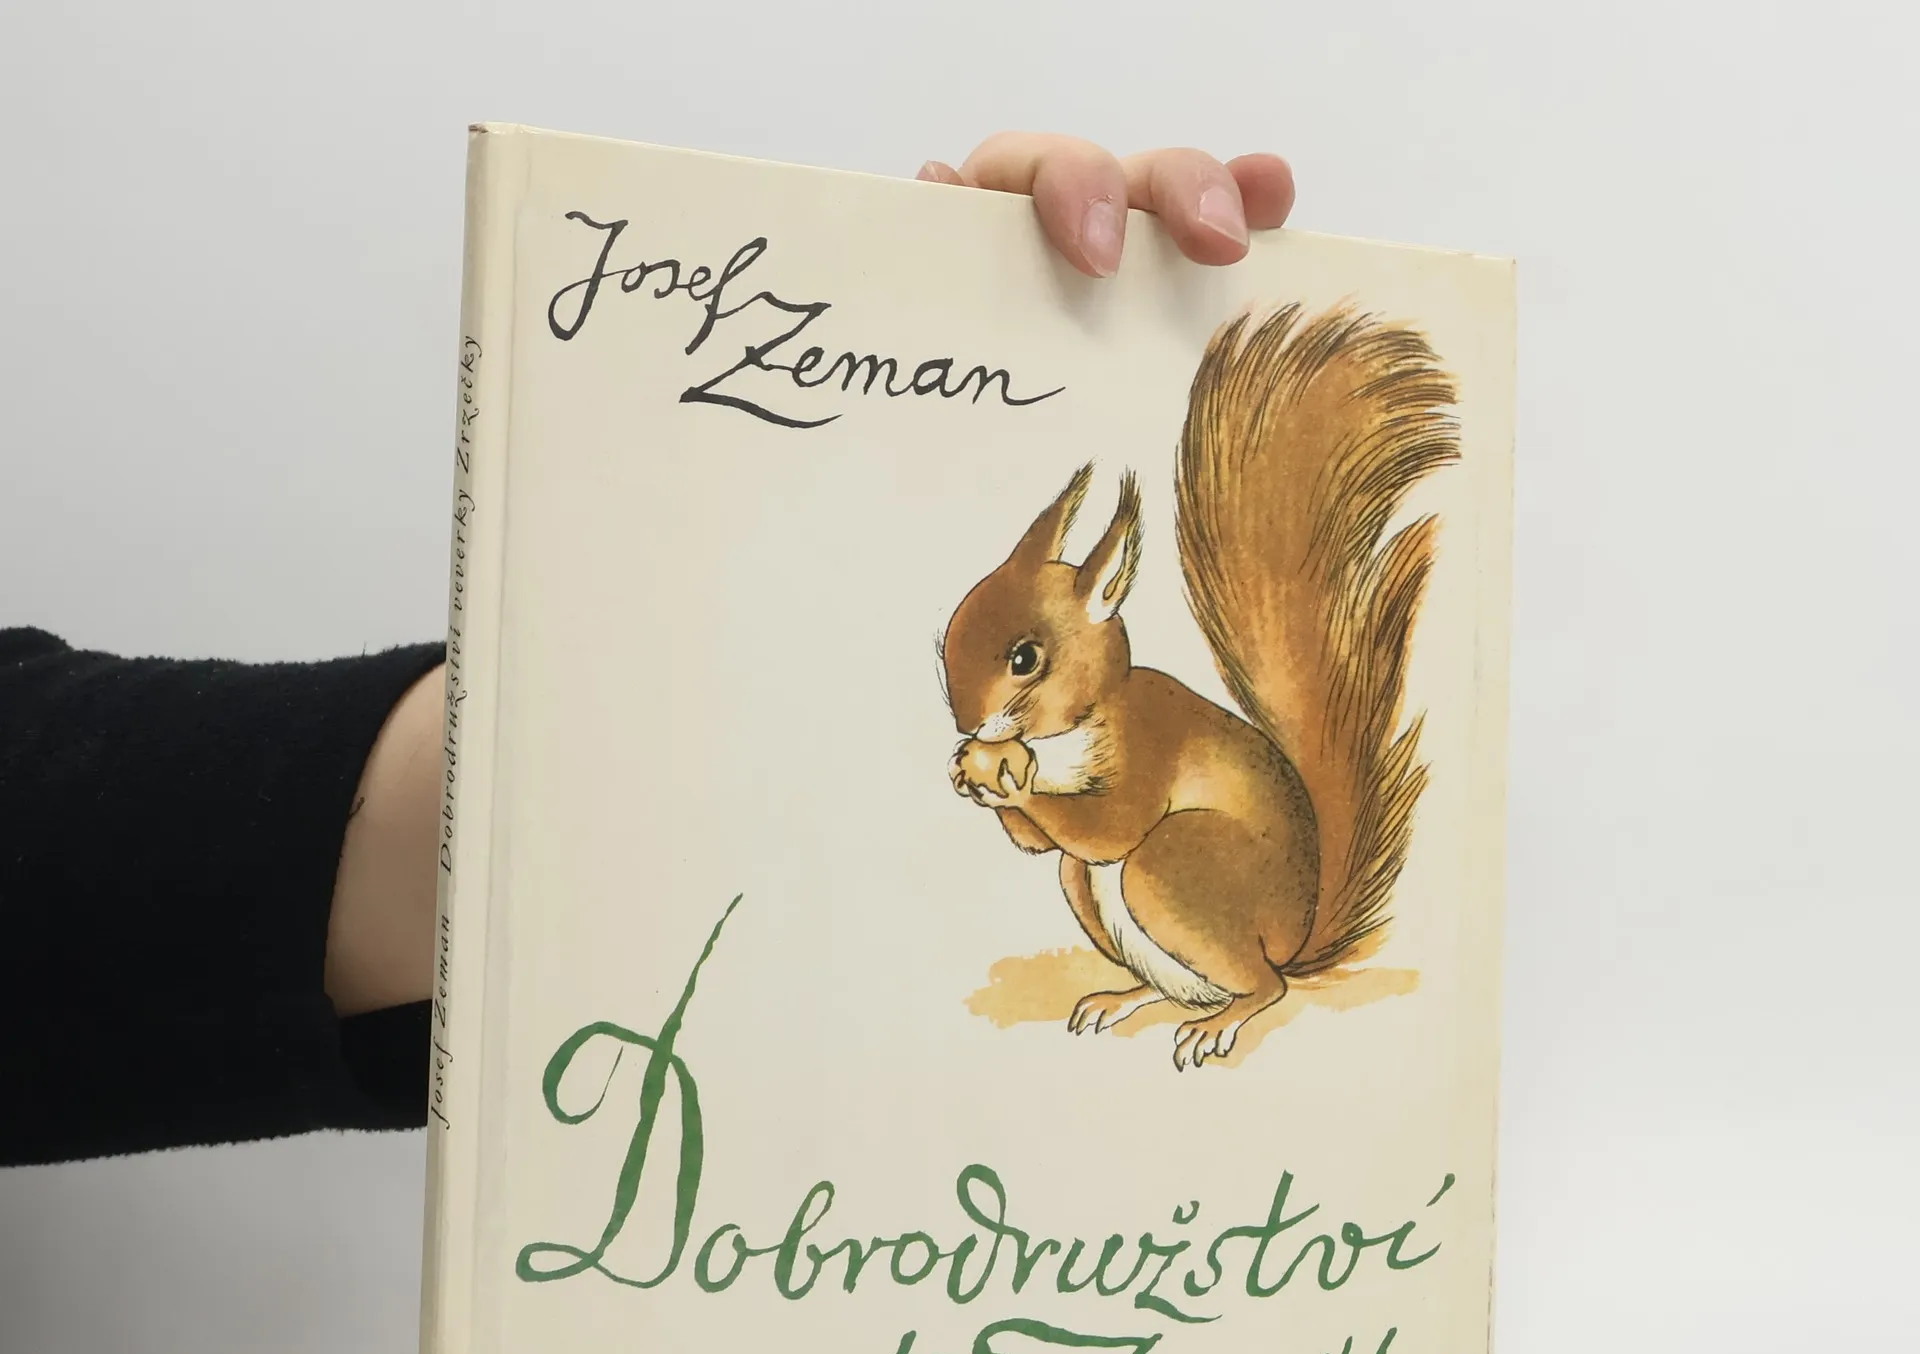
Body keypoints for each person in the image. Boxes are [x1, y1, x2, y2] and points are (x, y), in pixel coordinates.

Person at [0, 133, 1295, 1169]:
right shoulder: (1043, 722)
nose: (983, 711)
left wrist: (811, 525)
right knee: (1103, 878)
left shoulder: (1129, 721)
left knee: (1138, 863)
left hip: (1201, 869)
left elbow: (1105, 825)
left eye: (1013, 675)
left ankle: (1228, 989)